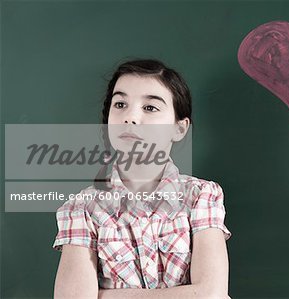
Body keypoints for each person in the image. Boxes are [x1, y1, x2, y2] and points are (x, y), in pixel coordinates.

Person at [52, 58, 232, 298]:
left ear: (179, 128)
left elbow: (211, 294)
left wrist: (102, 295)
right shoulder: (82, 208)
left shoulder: (202, 196)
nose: (130, 117)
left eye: (150, 107)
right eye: (120, 104)